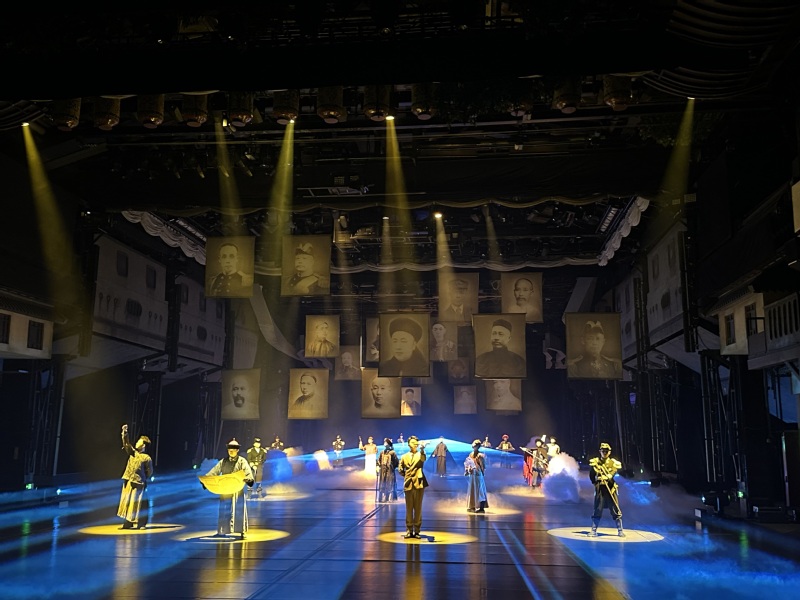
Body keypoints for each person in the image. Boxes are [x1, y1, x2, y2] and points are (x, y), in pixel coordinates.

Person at [203, 438, 255, 538]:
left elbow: (248, 472)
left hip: (237, 489)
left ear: (237, 450)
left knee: (239, 509)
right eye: (229, 450)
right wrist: (206, 480)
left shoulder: (242, 461)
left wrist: (248, 479)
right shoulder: (223, 461)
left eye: (233, 450)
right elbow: (214, 471)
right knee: (224, 510)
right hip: (226, 489)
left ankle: (241, 531)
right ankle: (222, 531)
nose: (231, 452)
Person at [117, 424, 153, 530]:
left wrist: (142, 477)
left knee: (138, 503)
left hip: (139, 482)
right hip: (129, 480)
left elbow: (150, 471)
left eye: (139, 442)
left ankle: (141, 523)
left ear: (143, 445)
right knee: (127, 502)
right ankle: (128, 522)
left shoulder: (146, 458)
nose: (137, 443)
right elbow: (126, 444)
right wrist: (125, 433)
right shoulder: (133, 453)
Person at [589, 442, 624, 537]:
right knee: (597, 509)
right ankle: (593, 530)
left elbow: (612, 472)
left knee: (615, 509)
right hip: (600, 489)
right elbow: (592, 475)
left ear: (609, 452)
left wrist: (608, 476)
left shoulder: (613, 463)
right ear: (600, 451)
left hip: (610, 489)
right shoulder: (595, 462)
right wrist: (596, 482)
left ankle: (620, 530)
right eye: (603, 451)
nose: (604, 453)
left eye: (606, 451)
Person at [398, 435, 428, 539]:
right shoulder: (404, 456)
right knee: (409, 508)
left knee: (418, 508)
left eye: (415, 443)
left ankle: (417, 530)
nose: (414, 444)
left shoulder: (420, 454)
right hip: (408, 484)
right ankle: (409, 530)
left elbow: (423, 458)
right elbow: (400, 469)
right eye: (412, 442)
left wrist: (422, 449)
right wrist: (407, 476)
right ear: (408, 444)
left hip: (419, 483)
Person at [464, 439, 488, 513]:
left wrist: (482, 473)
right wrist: (468, 470)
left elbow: (483, 466)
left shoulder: (480, 455)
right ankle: (473, 506)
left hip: (478, 474)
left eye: (475, 445)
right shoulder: (471, 454)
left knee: (479, 490)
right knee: (472, 490)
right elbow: (468, 463)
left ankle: (481, 508)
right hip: (472, 473)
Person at [377, 438, 399, 503]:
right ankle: (381, 498)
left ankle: (388, 498)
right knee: (382, 483)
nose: (385, 444)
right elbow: (379, 460)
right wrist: (378, 466)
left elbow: (396, 462)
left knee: (389, 484)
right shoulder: (382, 452)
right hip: (383, 470)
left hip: (390, 470)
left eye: (386, 442)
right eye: (384, 442)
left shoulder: (392, 453)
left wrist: (392, 467)